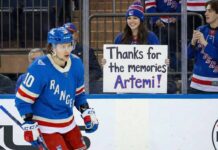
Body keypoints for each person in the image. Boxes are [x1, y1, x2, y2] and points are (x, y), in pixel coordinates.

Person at [15, 27, 99, 149]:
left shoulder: (76, 63)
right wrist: (28, 123)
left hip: (68, 123)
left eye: (69, 45)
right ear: (52, 48)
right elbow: (22, 100)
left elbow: (79, 95)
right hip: (45, 127)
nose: (67, 50)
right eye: (62, 46)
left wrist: (86, 111)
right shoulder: (39, 67)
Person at [113, 1, 176, 93]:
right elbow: (114, 59)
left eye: (135, 18)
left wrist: (164, 61)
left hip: (147, 82)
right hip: (125, 82)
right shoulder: (120, 38)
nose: (131, 21)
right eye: (129, 18)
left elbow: (158, 58)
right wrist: (106, 62)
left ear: (141, 20)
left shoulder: (151, 36)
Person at [188, 0, 218, 93]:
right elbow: (188, 55)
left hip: (215, 86)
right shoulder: (201, 29)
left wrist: (205, 44)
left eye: (209, 11)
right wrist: (192, 43)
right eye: (206, 10)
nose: (205, 13)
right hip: (196, 84)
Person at [63, 22, 103, 94]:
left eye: (71, 32)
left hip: (82, 89)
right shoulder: (55, 52)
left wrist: (85, 79)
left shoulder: (86, 51)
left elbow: (97, 71)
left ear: (76, 34)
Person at [144, 0, 181, 72]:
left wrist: (176, 15)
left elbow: (182, 3)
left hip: (173, 23)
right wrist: (155, 19)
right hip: (158, 23)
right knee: (159, 49)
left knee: (172, 49)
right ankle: (161, 70)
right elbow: (150, 5)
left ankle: (173, 70)